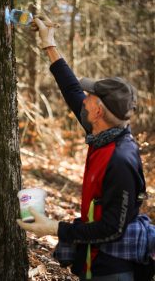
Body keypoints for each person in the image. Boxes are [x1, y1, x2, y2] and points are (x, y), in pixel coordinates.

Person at [17, 15, 147, 281]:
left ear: (97, 110)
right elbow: (70, 87)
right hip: (96, 257)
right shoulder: (102, 130)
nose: (83, 99)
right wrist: (48, 44)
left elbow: (113, 229)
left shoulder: (120, 159)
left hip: (114, 267)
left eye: (90, 97)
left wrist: (54, 228)